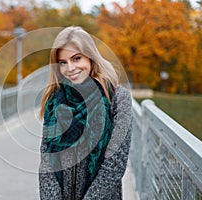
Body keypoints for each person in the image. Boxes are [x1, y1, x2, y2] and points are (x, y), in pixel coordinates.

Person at [38, 26, 132, 200]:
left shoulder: (118, 99)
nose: (70, 68)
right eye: (63, 62)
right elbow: (46, 161)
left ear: (90, 57)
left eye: (76, 58)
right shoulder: (55, 100)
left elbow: (115, 164)